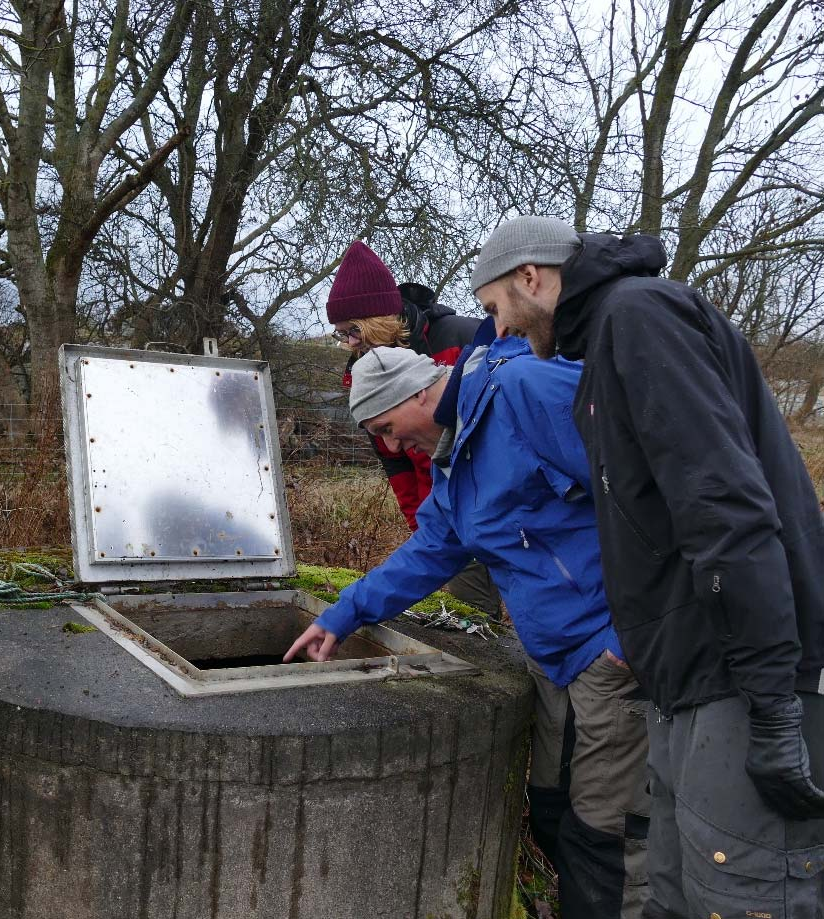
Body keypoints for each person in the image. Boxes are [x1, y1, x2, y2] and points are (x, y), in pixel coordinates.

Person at [470, 215, 824, 919]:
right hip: (684, 678)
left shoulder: (638, 317)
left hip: (739, 677)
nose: (499, 330)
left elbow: (726, 508)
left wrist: (774, 701)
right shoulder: (605, 345)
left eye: (495, 308)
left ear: (529, 277)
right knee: (677, 895)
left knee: (745, 894)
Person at [284, 341, 651, 918]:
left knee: (606, 832)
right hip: (550, 654)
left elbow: (652, 488)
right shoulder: (453, 460)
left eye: (388, 425)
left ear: (421, 392)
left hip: (606, 650)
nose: (391, 446)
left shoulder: (522, 395)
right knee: (553, 807)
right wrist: (343, 612)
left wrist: (632, 638)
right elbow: (431, 549)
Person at [326, 240, 500, 616]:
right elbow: (395, 462)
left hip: (495, 496)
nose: (350, 343)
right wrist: (424, 529)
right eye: (342, 334)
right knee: (466, 609)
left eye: (353, 330)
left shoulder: (458, 338)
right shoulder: (361, 378)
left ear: (379, 318)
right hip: (444, 513)